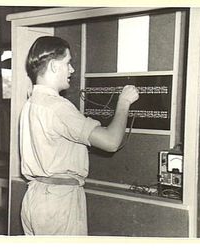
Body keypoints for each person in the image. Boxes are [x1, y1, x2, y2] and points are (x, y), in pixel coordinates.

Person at [19, 36, 139, 235]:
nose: (72, 70)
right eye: (68, 63)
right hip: (60, 202)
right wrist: (124, 102)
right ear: (54, 66)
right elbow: (111, 141)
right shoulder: (58, 107)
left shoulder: (31, 103)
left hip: (35, 197)